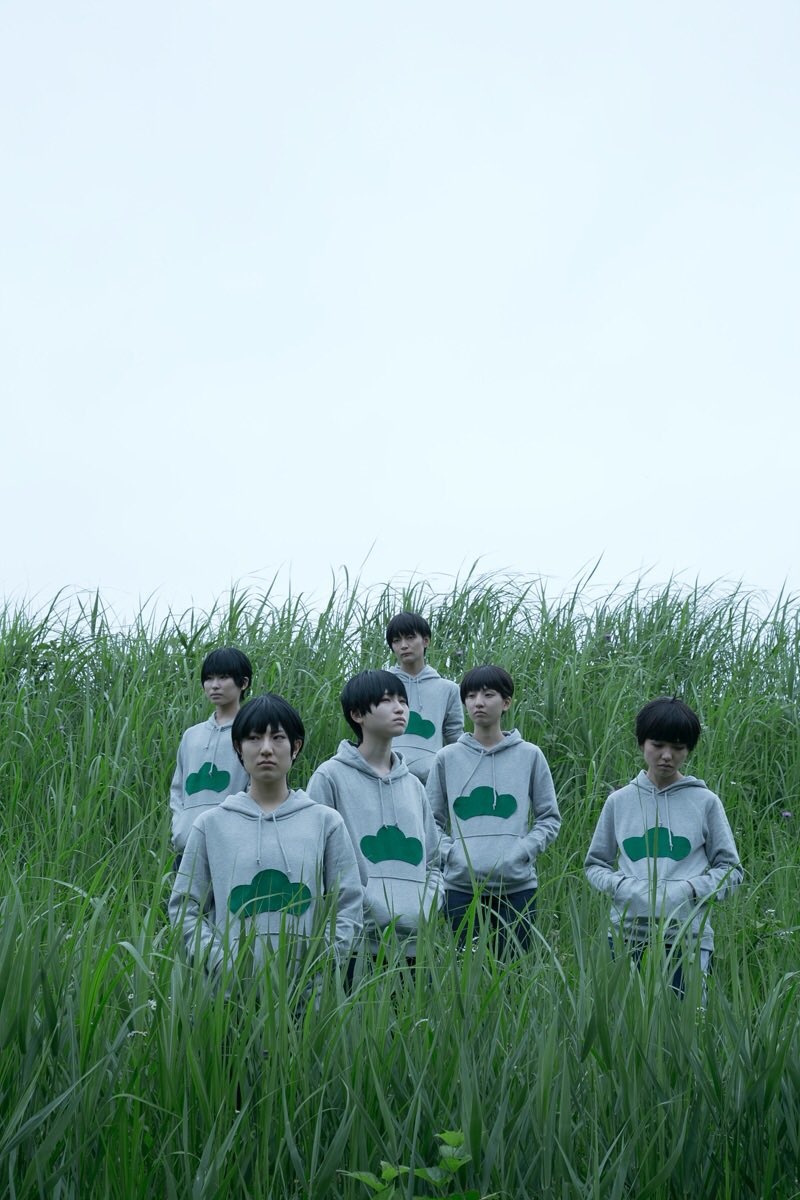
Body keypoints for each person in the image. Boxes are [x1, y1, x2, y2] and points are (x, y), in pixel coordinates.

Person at [168, 693, 363, 976]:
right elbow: (185, 908)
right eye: (254, 738)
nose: (266, 749)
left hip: (309, 994)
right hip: (227, 993)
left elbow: (348, 904)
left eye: (278, 738)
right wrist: (222, 966)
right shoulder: (210, 825)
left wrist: (319, 968)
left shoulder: (325, 822)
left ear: (296, 746)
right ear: (238, 747)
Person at [584, 696, 743, 997]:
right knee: (624, 1021)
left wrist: (691, 890)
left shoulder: (705, 802)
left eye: (678, 747)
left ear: (688, 749)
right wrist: (622, 887)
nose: (667, 755)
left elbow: (731, 870)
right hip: (625, 935)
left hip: (688, 937)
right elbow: (595, 864)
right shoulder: (619, 802)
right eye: (657, 745)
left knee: (687, 1021)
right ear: (642, 743)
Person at [308, 669, 442, 965]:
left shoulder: (414, 786)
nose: (399, 708)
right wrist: (363, 906)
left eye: (403, 701)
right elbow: (315, 861)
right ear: (357, 714)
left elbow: (433, 862)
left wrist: (427, 906)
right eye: (386, 700)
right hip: (354, 944)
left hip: (415, 946)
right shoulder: (329, 777)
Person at [426, 665, 561, 951]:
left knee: (515, 969)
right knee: (464, 968)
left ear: (506, 702)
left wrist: (522, 851)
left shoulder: (529, 755)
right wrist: (452, 854)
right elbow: (430, 823)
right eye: (471, 696)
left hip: (517, 887)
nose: (478, 702)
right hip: (460, 887)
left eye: (488, 695)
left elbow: (549, 818)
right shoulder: (446, 758)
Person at [169, 646, 253, 860]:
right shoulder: (191, 735)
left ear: (243, 683)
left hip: (233, 850)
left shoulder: (252, 734)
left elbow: (255, 789)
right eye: (209, 678)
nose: (214, 685)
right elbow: (177, 791)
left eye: (223, 677)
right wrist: (180, 829)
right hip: (187, 848)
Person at [386, 611, 463, 783]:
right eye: (396, 640)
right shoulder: (381, 685)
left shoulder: (448, 689)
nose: (403, 645)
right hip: (387, 775)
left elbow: (454, 737)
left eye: (410, 637)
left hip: (431, 780)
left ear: (426, 640)